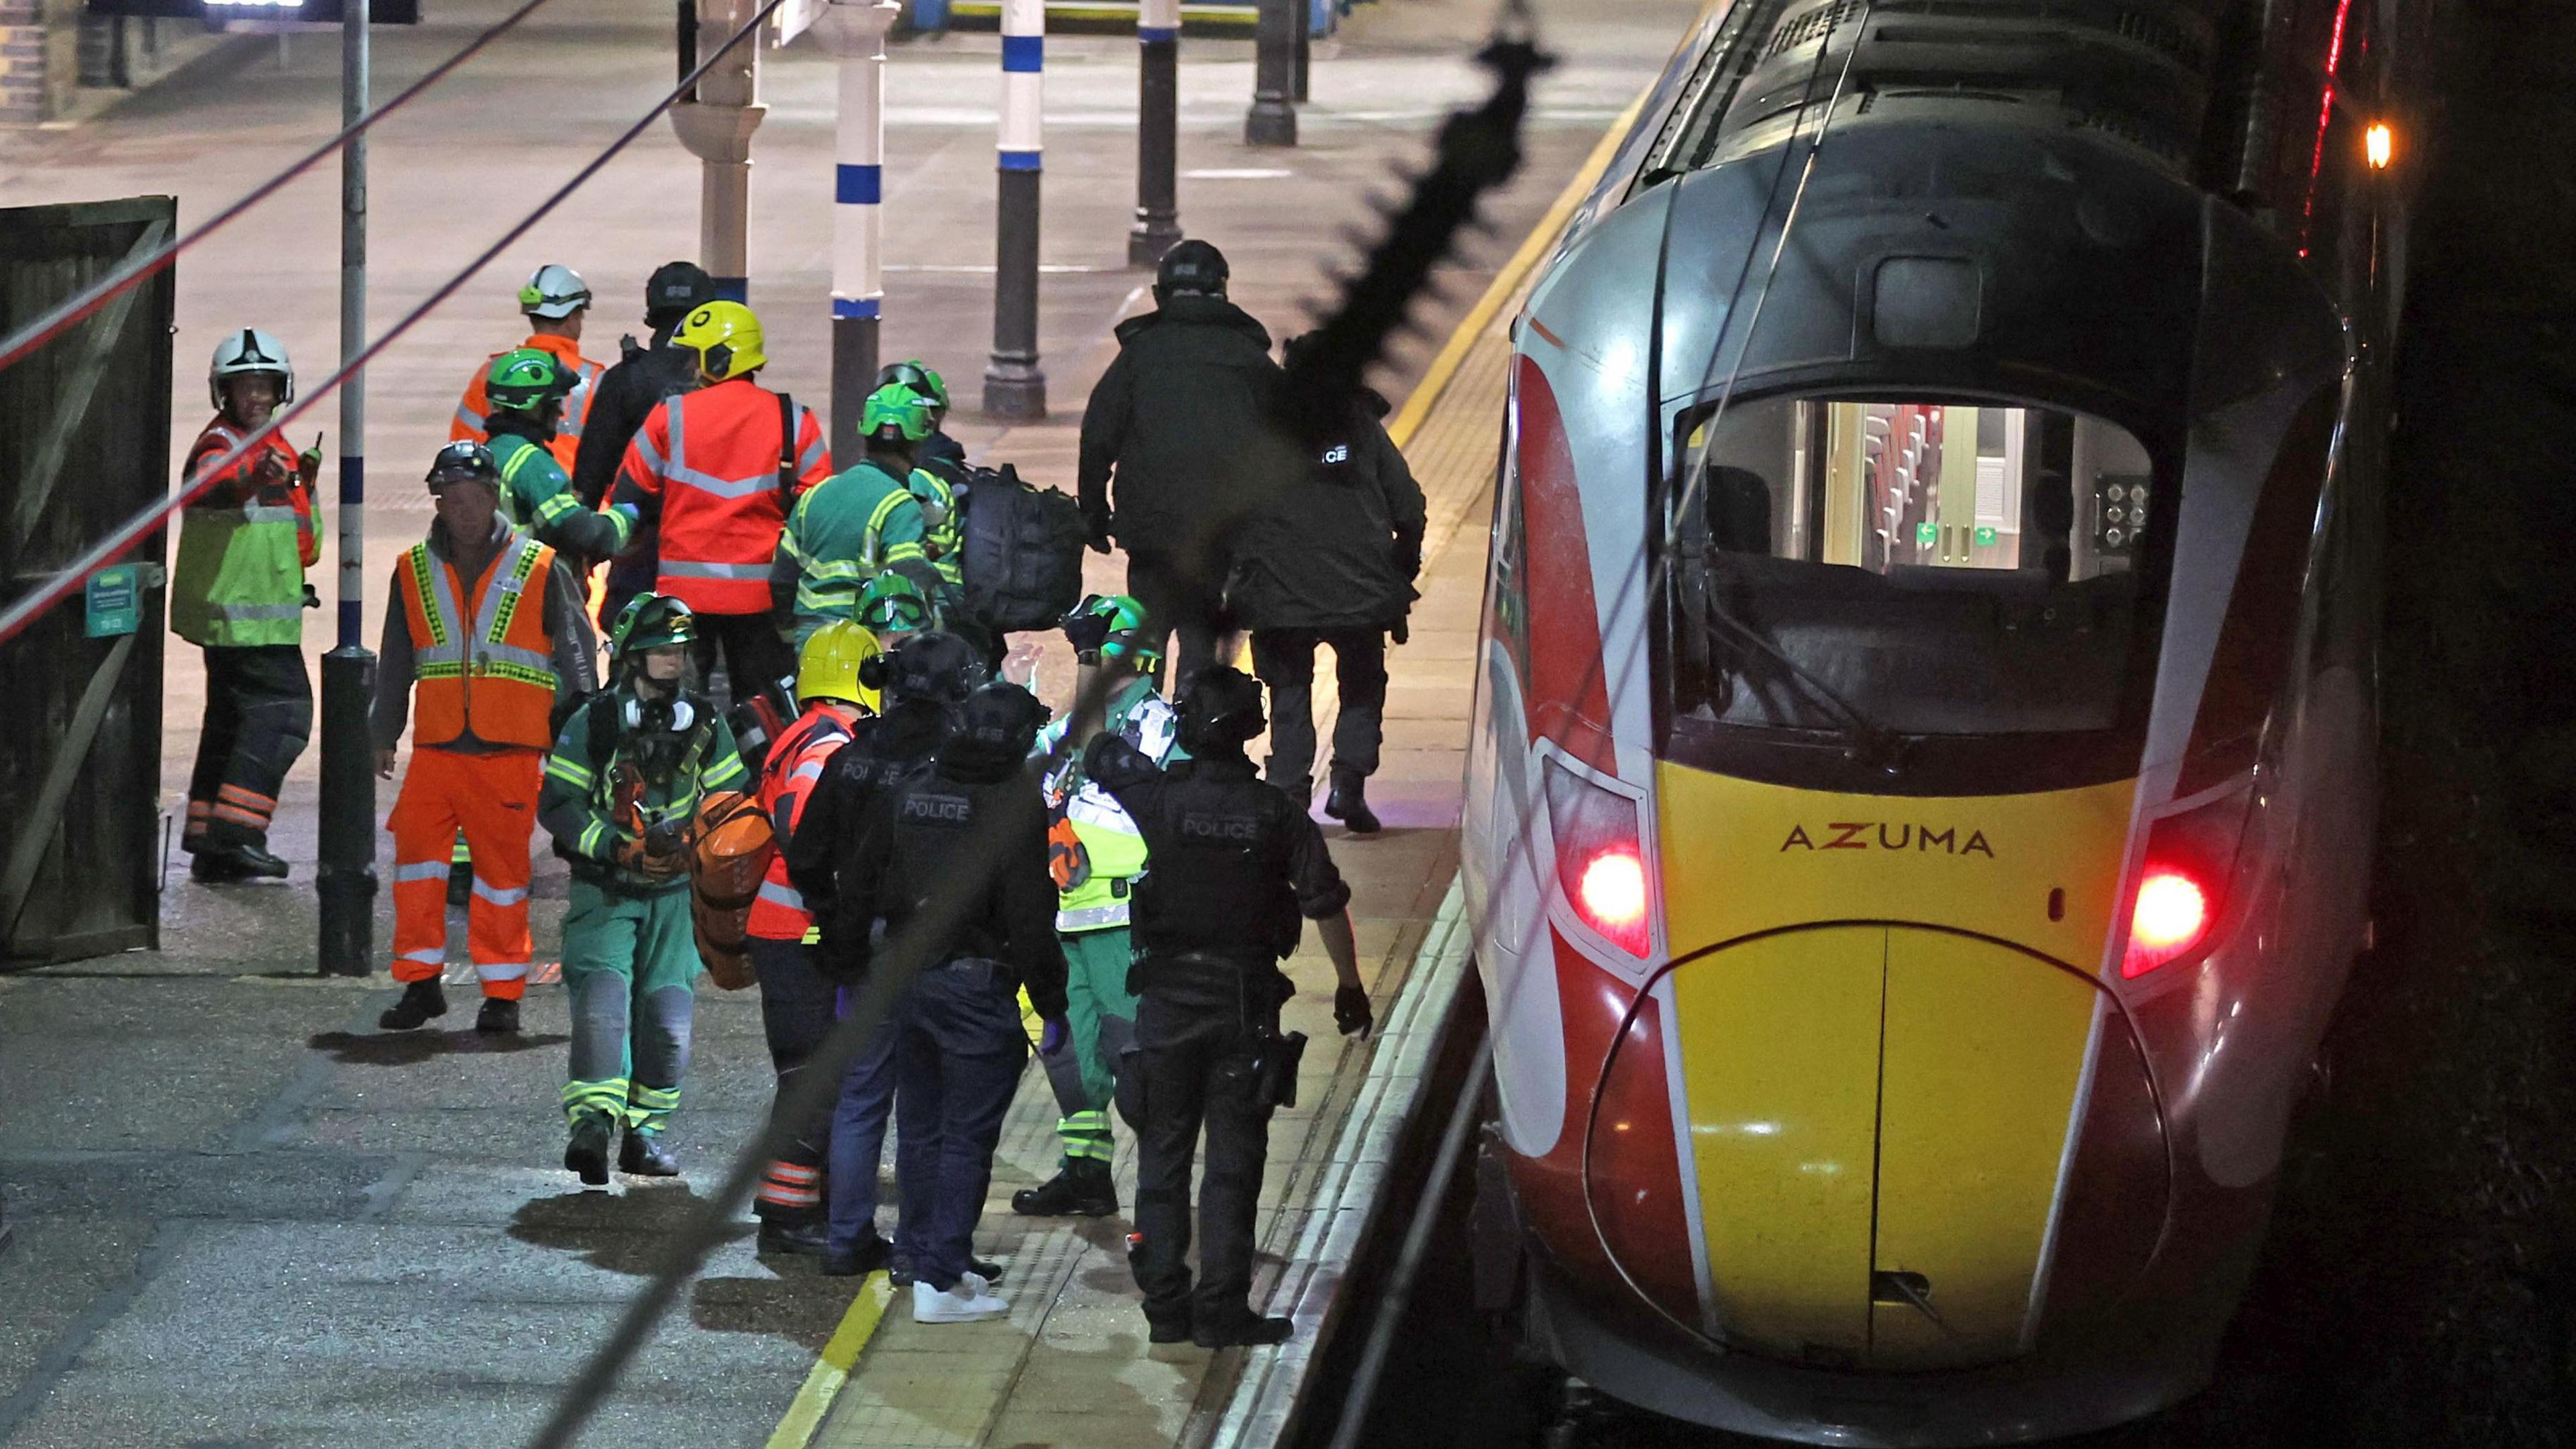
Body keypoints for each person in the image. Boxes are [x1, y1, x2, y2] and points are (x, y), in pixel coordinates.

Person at [1080, 666, 1374, 1346]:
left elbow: (1096, 746)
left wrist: (1098, 661)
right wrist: (1349, 988)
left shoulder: (1157, 796)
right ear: (1252, 730)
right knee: (1233, 1168)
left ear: (1185, 730)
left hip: (1165, 1003)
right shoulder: (1277, 813)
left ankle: (1165, 1309)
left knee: (1163, 1155)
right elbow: (1324, 902)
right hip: (1243, 1008)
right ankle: (1221, 1313)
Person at [817, 679, 1067, 1324]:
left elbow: (859, 881)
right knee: (966, 1136)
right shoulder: (1012, 804)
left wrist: (850, 966)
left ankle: (920, 1256)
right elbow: (1029, 913)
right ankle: (938, 1277)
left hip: (901, 980)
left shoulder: (914, 789)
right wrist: (1051, 1000)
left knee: (921, 1128)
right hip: (972, 988)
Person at [372, 445, 596, 1034]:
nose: (465, 513)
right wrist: (382, 732)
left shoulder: (541, 566)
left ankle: (502, 995)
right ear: (438, 503)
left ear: (494, 497)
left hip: (510, 750)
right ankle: (421, 985)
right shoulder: (413, 569)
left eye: (474, 499)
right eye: (453, 501)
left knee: (501, 878)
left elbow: (577, 656)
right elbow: (397, 658)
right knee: (416, 868)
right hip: (437, 748)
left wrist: (582, 739)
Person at [784, 631, 986, 1278]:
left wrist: (838, 917)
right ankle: (918, 1251)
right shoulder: (958, 761)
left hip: (862, 951)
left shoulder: (854, 756)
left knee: (862, 1096)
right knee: (927, 1108)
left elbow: (807, 853)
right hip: (936, 956)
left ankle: (847, 1240)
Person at [539, 594, 751, 1185]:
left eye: (678, 650)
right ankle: (593, 1127)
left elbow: (732, 805)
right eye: (660, 650)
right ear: (632, 657)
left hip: (675, 898)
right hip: (606, 891)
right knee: (604, 1006)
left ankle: (645, 1135)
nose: (672, 661)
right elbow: (559, 805)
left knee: (667, 1018)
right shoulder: (596, 722)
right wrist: (619, 847)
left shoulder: (707, 725)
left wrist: (700, 849)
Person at [1014, 596, 1183, 1219]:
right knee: (1069, 1057)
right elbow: (1036, 771)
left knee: (1132, 1059)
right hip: (1066, 918)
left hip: (1122, 920)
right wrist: (1014, 694)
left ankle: (1163, 1193)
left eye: (1094, 652)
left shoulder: (1164, 726)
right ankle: (1085, 1175)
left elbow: (1107, 770)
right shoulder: (1072, 723)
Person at [1228, 332, 1426, 835]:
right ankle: (1348, 785)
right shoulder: (1359, 424)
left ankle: (1290, 794)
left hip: (1279, 591)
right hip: (1358, 588)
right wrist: (1402, 567)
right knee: (1361, 684)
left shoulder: (1258, 429)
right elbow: (1408, 505)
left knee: (1290, 689)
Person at [1077, 239, 1287, 681]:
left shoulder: (1139, 355)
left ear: (1161, 294)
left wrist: (1094, 514)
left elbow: (1098, 435)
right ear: (1222, 291)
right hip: (1218, 532)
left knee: (1145, 637)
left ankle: (1141, 734)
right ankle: (1192, 733)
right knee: (1200, 638)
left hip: (1150, 529)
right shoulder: (1249, 358)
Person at [614, 299, 829, 704]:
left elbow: (627, 500)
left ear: (719, 359)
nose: (691, 371)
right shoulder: (795, 420)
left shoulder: (669, 416)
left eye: (696, 359)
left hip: (683, 600)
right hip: (762, 601)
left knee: (677, 710)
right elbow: (818, 512)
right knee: (765, 712)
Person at [745, 620, 879, 1256]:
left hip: (781, 929)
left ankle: (799, 1205)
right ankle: (787, 1216)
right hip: (798, 932)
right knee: (815, 1077)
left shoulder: (803, 729)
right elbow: (799, 824)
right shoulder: (831, 743)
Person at [172, 328, 323, 882]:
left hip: (251, 614)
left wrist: (293, 483)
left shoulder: (274, 444)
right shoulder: (224, 445)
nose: (255, 397)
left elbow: (291, 535)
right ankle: (238, 835)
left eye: (264, 386)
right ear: (224, 393)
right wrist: (248, 479)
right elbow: (209, 485)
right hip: (243, 618)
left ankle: (211, 840)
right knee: (282, 717)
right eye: (244, 388)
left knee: (232, 724)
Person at [576, 262, 719, 629]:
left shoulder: (625, 379)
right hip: (712, 545)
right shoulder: (722, 382)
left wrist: (584, 553)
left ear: (651, 313)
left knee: (633, 636)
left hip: (639, 542)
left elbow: (592, 472)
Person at [771, 381, 941, 649]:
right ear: (918, 442)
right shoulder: (900, 504)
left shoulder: (815, 495)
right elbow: (908, 578)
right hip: (864, 641)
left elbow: (782, 577)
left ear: (865, 435)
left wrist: (789, 633)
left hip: (811, 640)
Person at [480, 350, 638, 576]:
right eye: (553, 402)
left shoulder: (495, 451)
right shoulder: (531, 463)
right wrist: (629, 513)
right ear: (532, 407)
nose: (560, 411)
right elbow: (584, 534)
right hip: (530, 591)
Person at [453, 264, 603, 474]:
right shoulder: (597, 380)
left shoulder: (492, 372)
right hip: (574, 502)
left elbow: (463, 446)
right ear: (573, 317)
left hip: (506, 499)